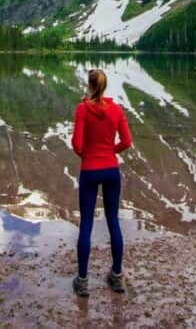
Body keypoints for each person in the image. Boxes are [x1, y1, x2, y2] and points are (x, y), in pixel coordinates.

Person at [70, 68, 133, 296]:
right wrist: (110, 153)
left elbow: (77, 145)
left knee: (86, 223)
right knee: (113, 221)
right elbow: (127, 141)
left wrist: (89, 157)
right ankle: (116, 277)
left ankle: (83, 280)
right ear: (105, 86)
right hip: (111, 170)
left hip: (90, 170)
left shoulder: (82, 109)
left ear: (89, 85)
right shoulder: (116, 110)